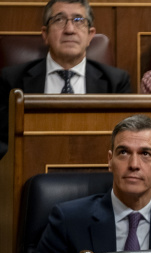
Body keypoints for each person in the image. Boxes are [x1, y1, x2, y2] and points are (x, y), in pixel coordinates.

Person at [30, 114, 151, 253]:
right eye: (123, 152)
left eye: (145, 154)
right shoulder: (68, 220)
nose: (134, 164)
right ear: (110, 160)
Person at [0, 0, 131, 160]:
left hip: (95, 169)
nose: (69, 30)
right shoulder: (11, 80)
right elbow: (3, 142)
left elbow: (124, 143)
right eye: (59, 20)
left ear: (90, 35)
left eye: (78, 20)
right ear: (45, 34)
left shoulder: (116, 82)